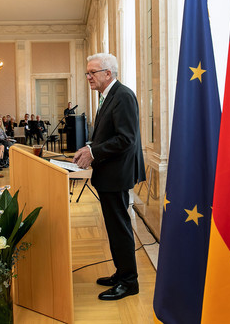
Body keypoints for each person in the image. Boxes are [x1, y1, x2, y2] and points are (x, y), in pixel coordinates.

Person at [73, 53, 145, 301]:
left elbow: (127, 139)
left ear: (108, 73)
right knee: (115, 229)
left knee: (120, 228)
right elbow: (109, 135)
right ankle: (122, 272)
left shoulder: (123, 96)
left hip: (117, 174)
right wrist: (89, 147)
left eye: (92, 72)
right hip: (109, 173)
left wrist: (93, 151)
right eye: (87, 73)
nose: (88, 77)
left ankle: (129, 282)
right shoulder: (107, 96)